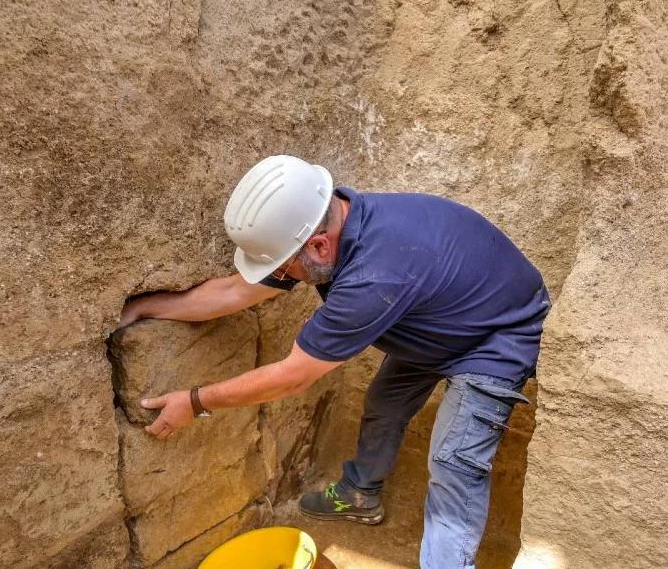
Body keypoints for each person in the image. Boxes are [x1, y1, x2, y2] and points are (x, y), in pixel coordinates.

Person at [118, 155, 550, 568]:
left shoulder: (372, 278)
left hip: (498, 334)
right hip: (441, 314)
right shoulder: (330, 222)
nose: (282, 276)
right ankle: (361, 493)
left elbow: (291, 378)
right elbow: (235, 292)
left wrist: (195, 401)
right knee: (385, 402)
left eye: (285, 268)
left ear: (319, 247)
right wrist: (147, 307)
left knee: (453, 463)